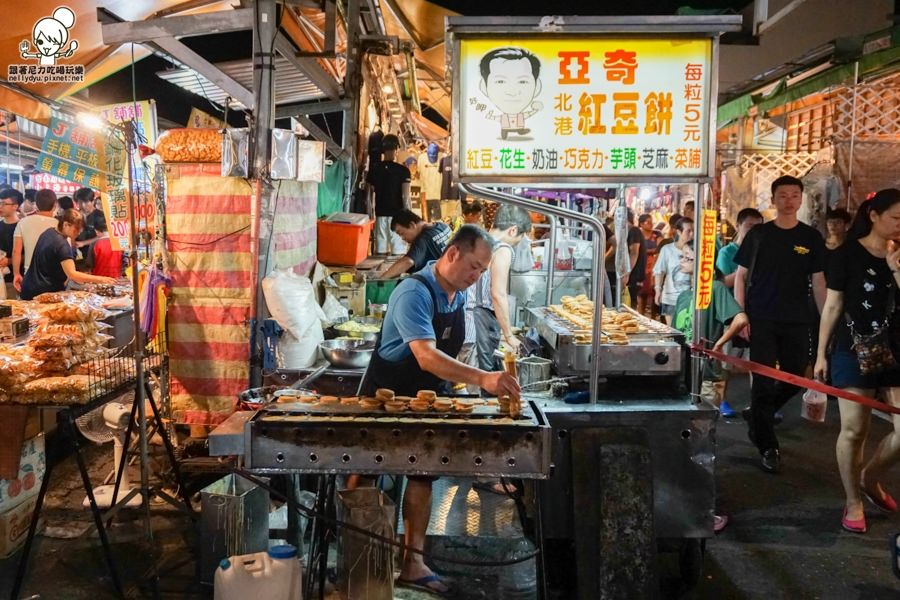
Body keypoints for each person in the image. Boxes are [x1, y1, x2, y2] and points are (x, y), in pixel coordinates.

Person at [359, 225, 520, 595]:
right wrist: (484, 379)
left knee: (422, 476)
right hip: (387, 399)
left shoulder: (456, 295)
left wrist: (461, 389)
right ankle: (360, 560)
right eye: (475, 267)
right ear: (452, 254)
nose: (477, 276)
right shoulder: (414, 292)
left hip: (429, 397)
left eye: (482, 270)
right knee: (366, 476)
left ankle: (413, 564)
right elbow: (426, 355)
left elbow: (449, 353)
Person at [814, 189, 900, 534]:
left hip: (897, 349)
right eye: (896, 217)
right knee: (854, 429)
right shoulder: (846, 254)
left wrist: (895, 270)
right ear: (874, 216)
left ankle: (870, 477)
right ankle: (853, 500)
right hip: (853, 348)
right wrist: (821, 353)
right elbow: (833, 305)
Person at [734, 175, 827, 473]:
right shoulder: (759, 235)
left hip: (798, 319)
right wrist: (741, 314)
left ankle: (759, 415)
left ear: (801, 199)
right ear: (773, 200)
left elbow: (819, 281)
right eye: (783, 195)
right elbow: (741, 277)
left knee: (795, 376)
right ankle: (767, 444)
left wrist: (826, 320)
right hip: (761, 317)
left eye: (794, 195)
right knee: (761, 382)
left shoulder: (811, 238)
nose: (789, 200)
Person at [672, 242, 749, 533]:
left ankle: (708, 508)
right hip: (683, 376)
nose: (682, 260)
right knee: (686, 441)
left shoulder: (715, 290)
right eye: (682, 255)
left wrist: (718, 344)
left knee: (701, 443)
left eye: (688, 257)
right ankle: (690, 502)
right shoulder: (683, 296)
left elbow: (741, 319)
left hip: (707, 377)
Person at [471, 205, 531, 371]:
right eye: (521, 237)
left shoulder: (477, 240)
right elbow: (497, 293)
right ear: (512, 230)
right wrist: (509, 335)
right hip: (480, 321)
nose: (519, 243)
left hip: (465, 322)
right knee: (483, 377)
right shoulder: (502, 249)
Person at [19, 209, 116, 300]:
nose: (78, 233)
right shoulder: (61, 244)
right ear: (66, 224)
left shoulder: (48, 232)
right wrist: (102, 279)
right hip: (43, 292)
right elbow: (72, 274)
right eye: (76, 230)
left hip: (29, 287)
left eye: (80, 230)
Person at [479, 47, 544, 140]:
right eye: (500, 81)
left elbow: (528, 114)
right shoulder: (504, 117)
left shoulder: (520, 115)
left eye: (522, 82)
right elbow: (497, 118)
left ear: (537, 86)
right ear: (484, 87)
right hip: (505, 128)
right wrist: (490, 117)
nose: (512, 92)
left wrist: (535, 110)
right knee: (505, 130)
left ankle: (520, 130)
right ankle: (505, 132)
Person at [368, 134, 410, 255]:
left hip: (380, 216)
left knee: (380, 253)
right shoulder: (403, 171)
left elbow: (369, 196)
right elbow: (405, 197)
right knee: (398, 254)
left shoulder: (374, 170)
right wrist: (407, 217)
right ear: (396, 149)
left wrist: (370, 214)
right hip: (397, 217)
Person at [380, 210, 452, 279]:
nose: (402, 238)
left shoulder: (422, 239)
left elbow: (407, 261)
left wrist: (381, 279)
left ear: (412, 225)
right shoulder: (442, 226)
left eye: (402, 233)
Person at [12, 189, 58, 292]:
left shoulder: (23, 222)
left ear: (36, 204)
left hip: (29, 274)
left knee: (30, 306)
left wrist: (16, 274)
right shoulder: (58, 224)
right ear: (54, 205)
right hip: (53, 276)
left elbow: (16, 251)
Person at [653, 217, 693, 324]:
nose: (692, 234)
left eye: (693, 230)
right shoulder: (667, 249)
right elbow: (659, 271)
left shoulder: (696, 250)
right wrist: (658, 290)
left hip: (690, 299)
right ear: (679, 232)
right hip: (670, 298)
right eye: (688, 231)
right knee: (672, 331)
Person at [717, 208, 763, 289]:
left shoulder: (762, 251)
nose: (754, 231)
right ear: (737, 226)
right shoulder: (726, 253)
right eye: (750, 226)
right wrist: (742, 272)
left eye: (758, 228)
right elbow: (721, 284)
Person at [0, 189, 23, 299]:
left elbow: (30, 255)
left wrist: (8, 261)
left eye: (4, 204)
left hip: (16, 280)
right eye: (0, 203)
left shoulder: (23, 227)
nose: (0, 206)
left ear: (15, 206)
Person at [624, 209, 647, 309]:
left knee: (631, 303)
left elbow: (634, 252)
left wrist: (627, 273)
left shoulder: (634, 231)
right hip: (632, 273)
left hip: (634, 274)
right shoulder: (631, 231)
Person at [637, 213, 659, 317]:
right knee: (641, 294)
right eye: (648, 222)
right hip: (642, 266)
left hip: (654, 267)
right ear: (641, 224)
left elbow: (660, 249)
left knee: (653, 293)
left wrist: (646, 251)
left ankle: (653, 318)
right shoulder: (638, 235)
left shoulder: (656, 235)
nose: (651, 224)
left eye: (651, 222)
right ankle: (641, 316)